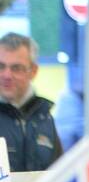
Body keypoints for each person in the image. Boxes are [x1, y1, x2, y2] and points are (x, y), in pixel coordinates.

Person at [0, 33, 62, 172]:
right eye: (1, 66)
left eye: (16, 68)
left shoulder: (44, 118)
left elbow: (59, 177)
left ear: (33, 71)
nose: (6, 75)